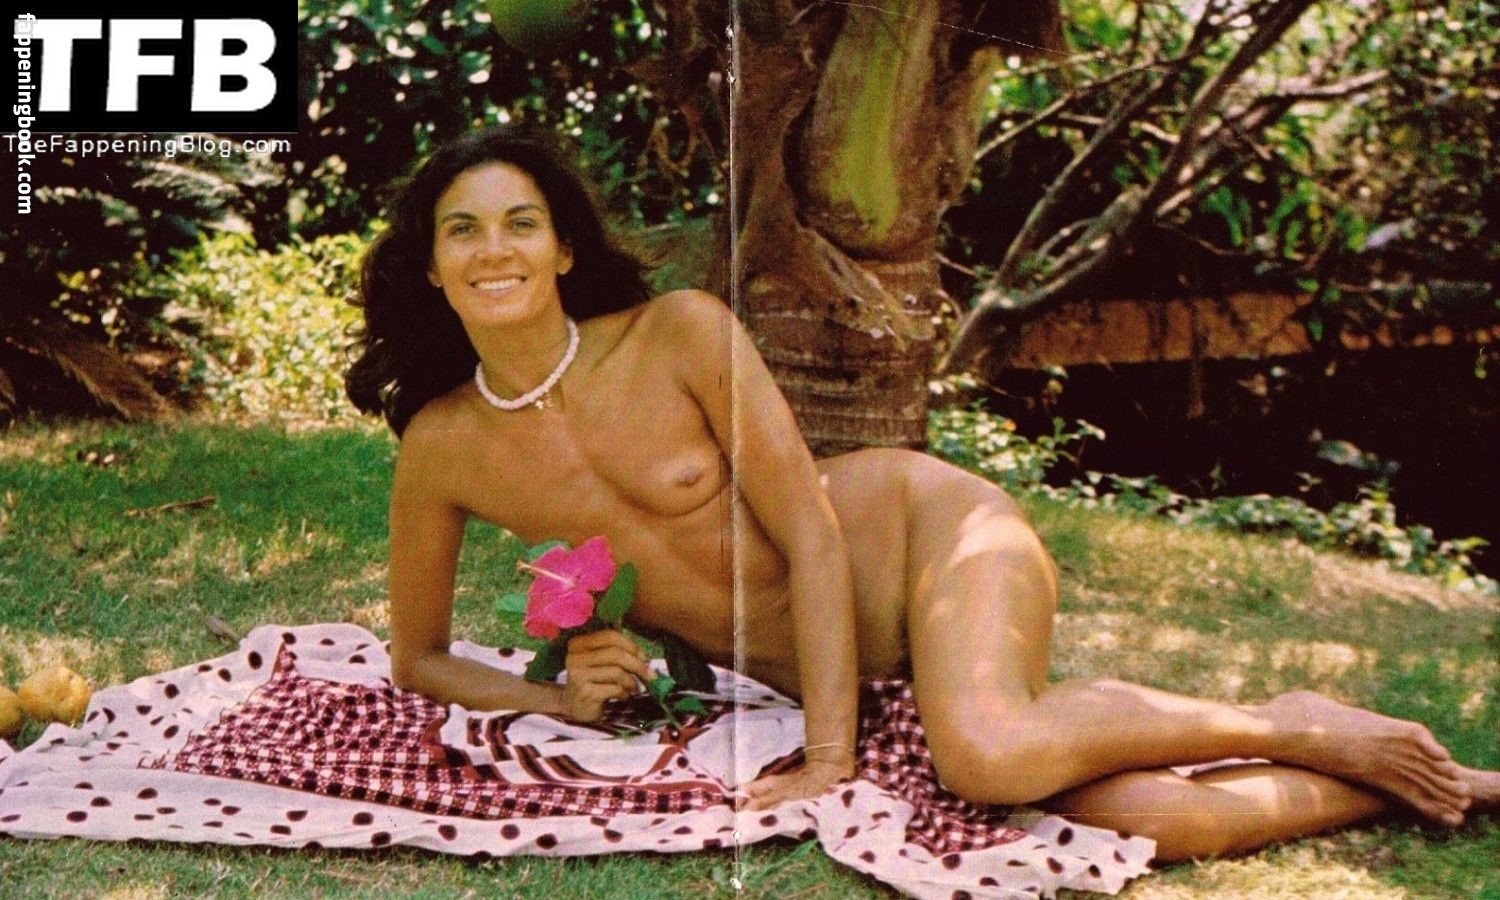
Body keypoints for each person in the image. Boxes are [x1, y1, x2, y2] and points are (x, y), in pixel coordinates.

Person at [347, 125, 1497, 861]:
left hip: (927, 545)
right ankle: (1405, 782)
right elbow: (419, 658)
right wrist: (558, 695)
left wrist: (830, 756)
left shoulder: (677, 333)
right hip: (848, 674)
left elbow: (809, 529)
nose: (493, 250)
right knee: (1121, 817)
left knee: (988, 757)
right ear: (431, 264)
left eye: (521, 223)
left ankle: (1287, 723)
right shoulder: (446, 447)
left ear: (562, 249)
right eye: (463, 231)